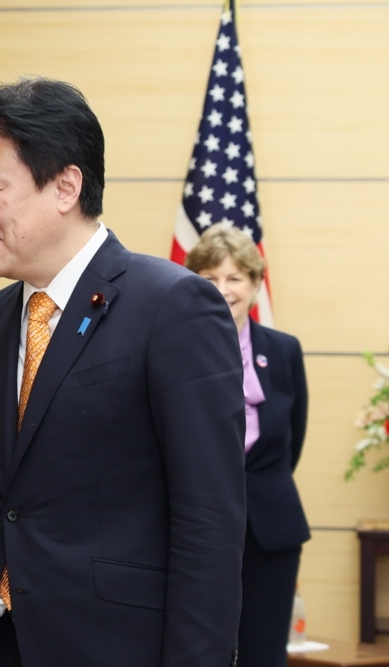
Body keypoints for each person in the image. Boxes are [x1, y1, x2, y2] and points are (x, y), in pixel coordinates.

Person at [0, 79, 247, 667]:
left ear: (65, 186)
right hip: (10, 641)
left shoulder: (173, 306)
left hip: (122, 648)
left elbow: (208, 520)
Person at [186, 223, 310, 667]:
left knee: (264, 649)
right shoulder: (175, 349)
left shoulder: (283, 350)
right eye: (209, 277)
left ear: (256, 284)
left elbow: (292, 438)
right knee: (199, 647)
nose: (223, 288)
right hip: (195, 526)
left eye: (235, 277)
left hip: (269, 528)